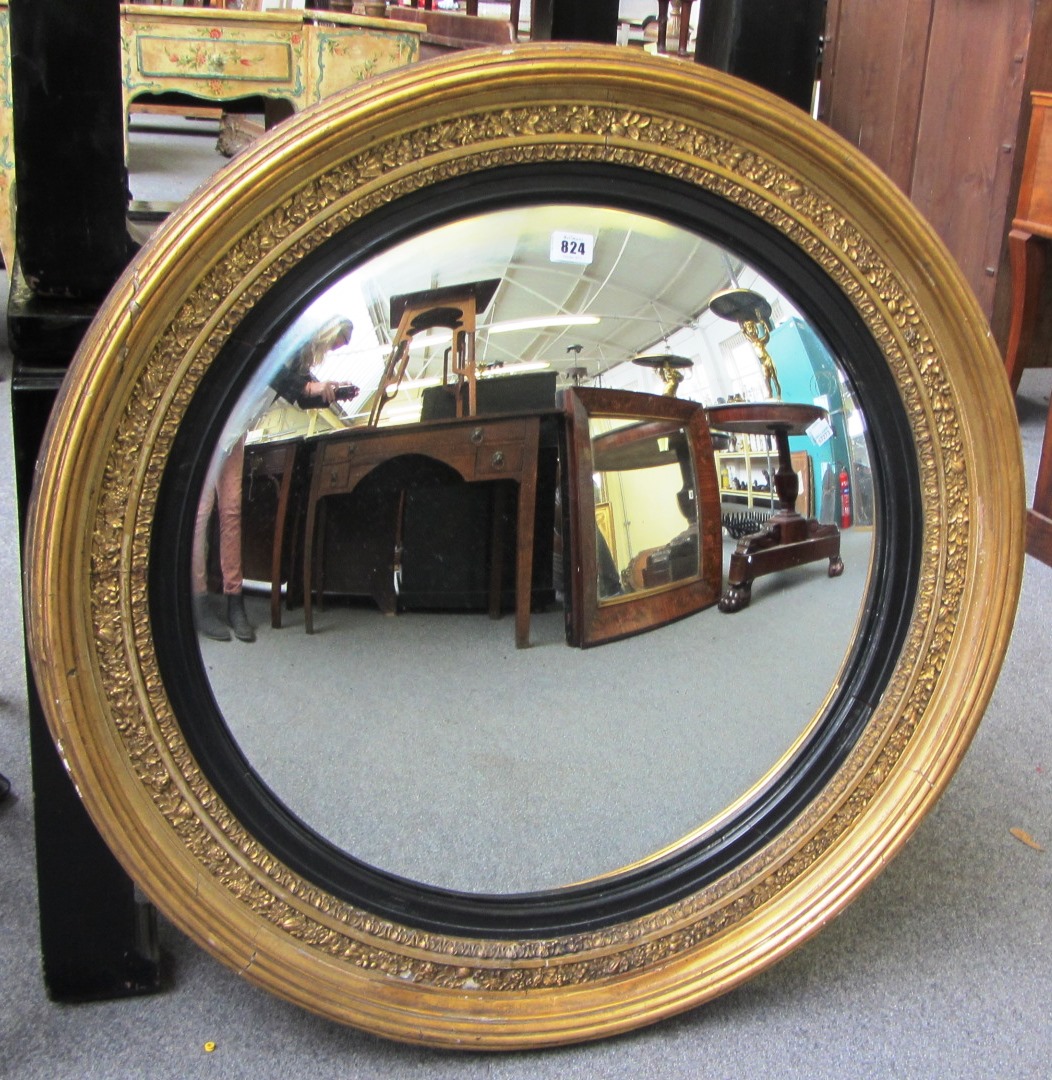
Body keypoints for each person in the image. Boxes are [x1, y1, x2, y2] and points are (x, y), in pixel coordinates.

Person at [193, 317, 357, 642]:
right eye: (336, 342)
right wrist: (312, 388)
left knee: (230, 514)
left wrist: (330, 392)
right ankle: (198, 601)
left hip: (235, 433)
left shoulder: (299, 360)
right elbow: (283, 380)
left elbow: (300, 394)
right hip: (211, 430)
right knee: (200, 516)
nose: (334, 349)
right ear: (328, 332)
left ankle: (233, 601)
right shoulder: (286, 343)